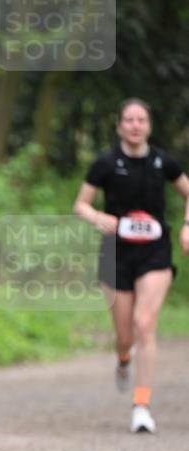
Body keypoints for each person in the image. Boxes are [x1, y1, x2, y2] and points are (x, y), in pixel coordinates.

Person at [73, 98, 189, 433]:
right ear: (120, 126)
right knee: (125, 336)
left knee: (144, 323)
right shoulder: (106, 163)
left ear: (149, 126)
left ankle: (141, 405)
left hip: (155, 252)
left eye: (141, 120)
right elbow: (80, 204)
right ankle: (124, 359)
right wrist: (98, 217)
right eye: (129, 120)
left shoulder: (163, 162)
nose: (135, 125)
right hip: (116, 254)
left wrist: (186, 225)